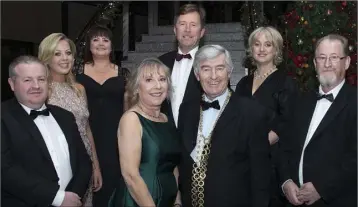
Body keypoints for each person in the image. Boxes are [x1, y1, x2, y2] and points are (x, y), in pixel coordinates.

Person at [178, 45, 271, 207]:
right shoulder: (186, 109)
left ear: (229, 72)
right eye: (206, 69)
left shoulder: (252, 112)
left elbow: (261, 177)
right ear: (197, 74)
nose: (213, 76)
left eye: (220, 68)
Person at [1, 55, 92, 207]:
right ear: (12, 84)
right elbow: (4, 170)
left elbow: (83, 162)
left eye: (41, 79)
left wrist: (73, 196)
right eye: (27, 80)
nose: (36, 85)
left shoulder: (65, 116)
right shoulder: (3, 116)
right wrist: (57, 198)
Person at [279, 34, 357, 207]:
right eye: (322, 58)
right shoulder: (301, 101)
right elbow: (283, 147)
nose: (327, 64)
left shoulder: (355, 102)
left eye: (334, 58)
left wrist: (322, 189)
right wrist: (285, 182)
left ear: (347, 62)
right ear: (315, 64)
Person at [234, 26, 298, 207]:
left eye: (267, 44)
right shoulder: (243, 83)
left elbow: (285, 123)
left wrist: (257, 145)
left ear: (276, 49)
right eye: (257, 44)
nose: (261, 49)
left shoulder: (286, 82)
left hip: (272, 163)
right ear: (251, 48)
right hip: (244, 163)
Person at [38, 33, 103, 206]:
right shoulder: (42, 91)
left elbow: (86, 128)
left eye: (68, 53)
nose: (65, 58)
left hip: (84, 164)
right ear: (46, 58)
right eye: (57, 54)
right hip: (59, 164)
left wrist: (95, 166)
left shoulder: (79, 89)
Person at [108, 58, 181, 207]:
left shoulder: (166, 120)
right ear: (136, 88)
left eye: (162, 79)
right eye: (149, 80)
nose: (158, 86)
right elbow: (130, 175)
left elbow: (172, 166)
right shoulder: (131, 120)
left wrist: (177, 202)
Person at [76, 25, 127, 206]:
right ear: (89, 46)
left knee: (113, 186)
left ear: (112, 47)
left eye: (105, 40)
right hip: (85, 136)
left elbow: (128, 108)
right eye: (95, 39)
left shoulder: (123, 73)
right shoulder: (77, 72)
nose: (100, 43)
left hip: (114, 139)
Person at [158, 3, 206, 127]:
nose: (187, 29)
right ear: (175, 30)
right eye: (182, 24)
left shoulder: (212, 64)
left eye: (193, 25)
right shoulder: (160, 63)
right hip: (165, 138)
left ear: (202, 32)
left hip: (198, 142)